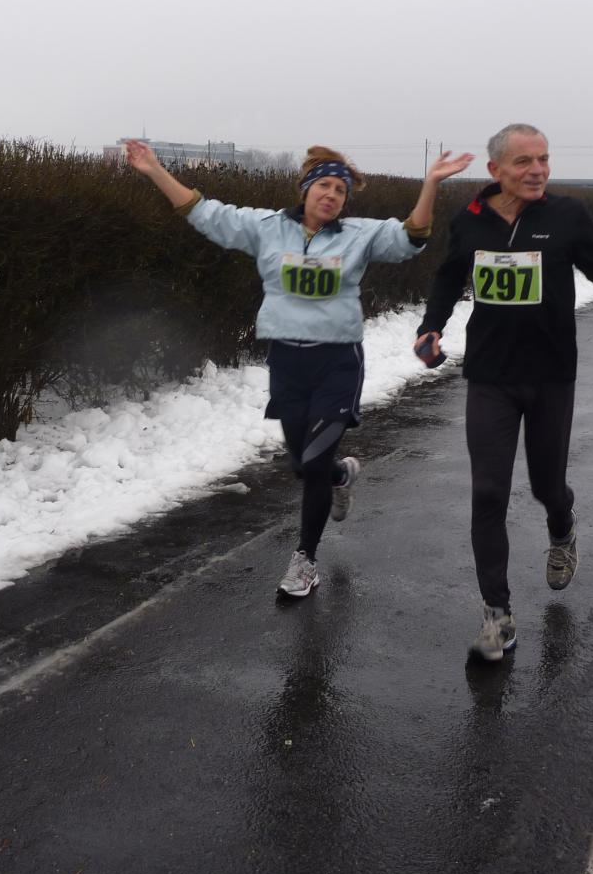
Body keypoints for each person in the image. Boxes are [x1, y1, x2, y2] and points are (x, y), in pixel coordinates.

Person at [124, 138, 471, 595]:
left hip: (337, 362)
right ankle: (339, 476)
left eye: (340, 190)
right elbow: (205, 213)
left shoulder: (358, 235)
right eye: (324, 186)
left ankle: (305, 560)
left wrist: (430, 184)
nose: (332, 195)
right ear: (306, 189)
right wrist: (153, 170)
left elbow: (411, 237)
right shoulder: (267, 228)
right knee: (303, 465)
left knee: (313, 459)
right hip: (287, 362)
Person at [411, 123, 593, 660]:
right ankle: (497, 614)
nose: (538, 170)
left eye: (544, 159)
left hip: (551, 374)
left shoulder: (565, 215)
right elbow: (449, 278)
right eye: (524, 161)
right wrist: (431, 326)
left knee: (547, 486)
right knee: (488, 492)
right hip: (491, 376)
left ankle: (562, 527)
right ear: (496, 170)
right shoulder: (469, 220)